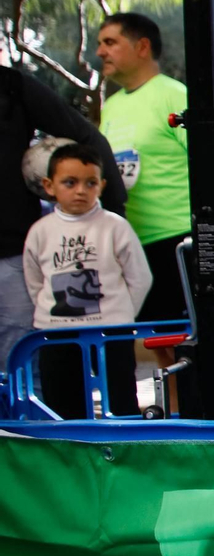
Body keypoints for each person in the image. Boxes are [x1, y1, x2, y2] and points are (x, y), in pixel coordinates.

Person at [0, 65, 127, 365]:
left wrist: (112, 215)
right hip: (15, 257)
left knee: (27, 368)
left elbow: (87, 138)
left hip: (13, 255)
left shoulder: (11, 86)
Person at [22, 143, 149, 418]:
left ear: (101, 186)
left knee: (121, 401)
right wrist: (49, 314)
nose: (80, 190)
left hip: (111, 332)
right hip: (56, 333)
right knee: (62, 407)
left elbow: (140, 277)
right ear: (49, 186)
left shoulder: (115, 226)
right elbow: (34, 280)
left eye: (90, 183)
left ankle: (124, 442)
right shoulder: (40, 231)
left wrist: (121, 316)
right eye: (70, 182)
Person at [96, 12, 190, 328]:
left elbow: (210, 163)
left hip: (177, 239)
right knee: (152, 340)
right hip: (131, 242)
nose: (100, 52)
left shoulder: (175, 95)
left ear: (142, 47)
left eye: (110, 42)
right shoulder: (111, 106)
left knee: (183, 342)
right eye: (100, 44)